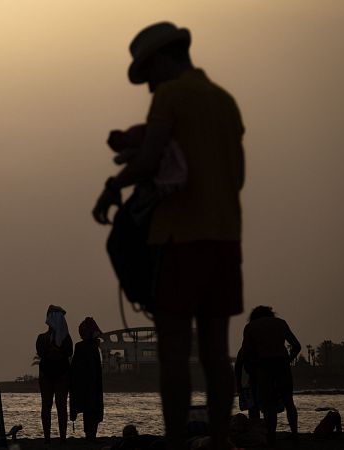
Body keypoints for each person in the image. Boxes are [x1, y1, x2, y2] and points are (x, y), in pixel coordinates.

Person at [93, 22, 245, 450]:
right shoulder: (225, 101)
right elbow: (239, 176)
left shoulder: (171, 95)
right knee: (217, 352)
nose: (148, 88)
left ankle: (177, 442)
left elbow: (150, 157)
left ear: (161, 61)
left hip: (178, 240)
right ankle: (219, 441)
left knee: (174, 353)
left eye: (148, 76)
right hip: (225, 239)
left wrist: (112, 186)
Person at [240, 306, 300, 445]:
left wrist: (252, 366)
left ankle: (271, 436)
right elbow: (297, 346)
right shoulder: (281, 323)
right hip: (282, 366)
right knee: (288, 401)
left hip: (264, 367)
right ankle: (295, 434)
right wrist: (288, 360)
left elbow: (246, 352)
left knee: (268, 404)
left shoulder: (250, 327)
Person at [36, 305, 73, 445]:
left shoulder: (44, 338)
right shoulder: (64, 338)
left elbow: (67, 352)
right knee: (56, 405)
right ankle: (58, 438)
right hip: (54, 374)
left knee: (52, 405)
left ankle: (50, 439)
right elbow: (68, 352)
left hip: (54, 374)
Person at [69, 317, 104, 441]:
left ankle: (90, 435)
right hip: (92, 384)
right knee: (91, 409)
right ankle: (91, 435)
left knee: (88, 409)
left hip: (85, 384)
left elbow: (75, 368)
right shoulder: (93, 347)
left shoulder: (82, 347)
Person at [234, 346, 260, 420]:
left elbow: (238, 366)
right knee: (253, 408)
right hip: (253, 381)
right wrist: (238, 384)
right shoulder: (246, 347)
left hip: (264, 381)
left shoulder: (265, 345)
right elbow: (238, 366)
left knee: (257, 408)